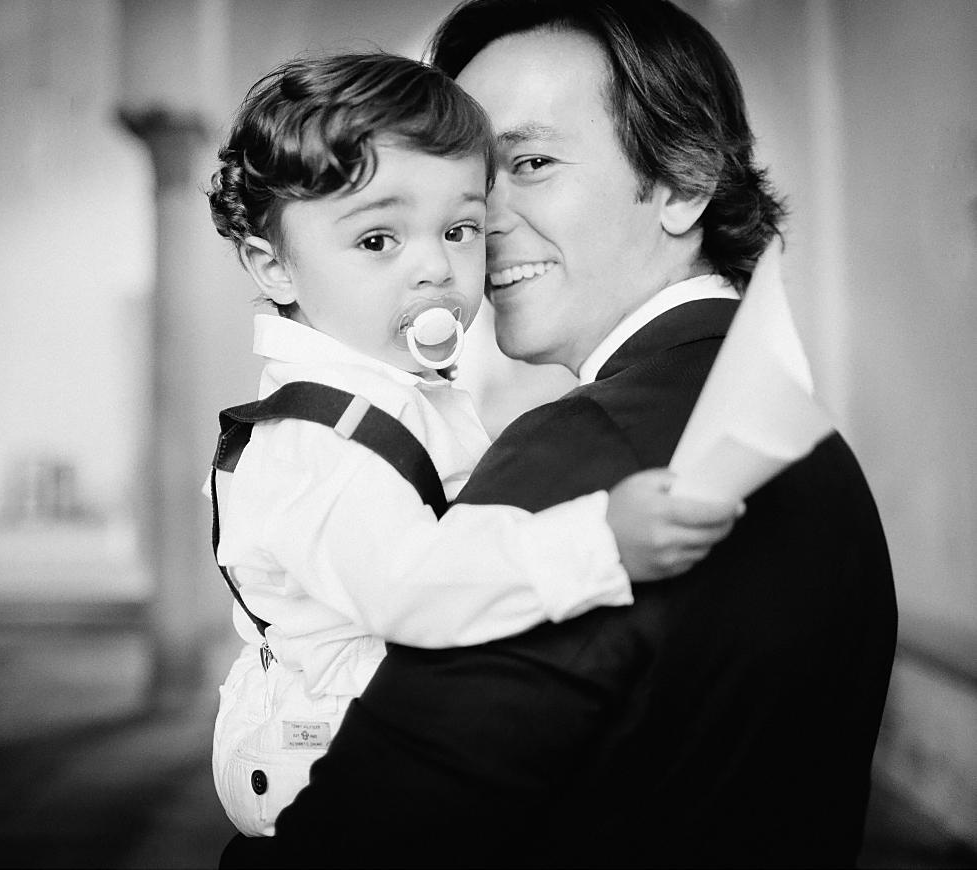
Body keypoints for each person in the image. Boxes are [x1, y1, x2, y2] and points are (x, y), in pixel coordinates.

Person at [221, 1, 898, 867]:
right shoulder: (798, 434)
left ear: (684, 181)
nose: (481, 219)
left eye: (531, 162)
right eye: (472, 181)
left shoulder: (581, 455)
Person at [203, 52, 740, 840]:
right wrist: (601, 543)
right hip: (312, 753)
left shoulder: (397, 394)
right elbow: (415, 588)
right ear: (272, 264)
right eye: (379, 238)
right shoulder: (316, 446)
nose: (438, 267)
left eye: (458, 229)